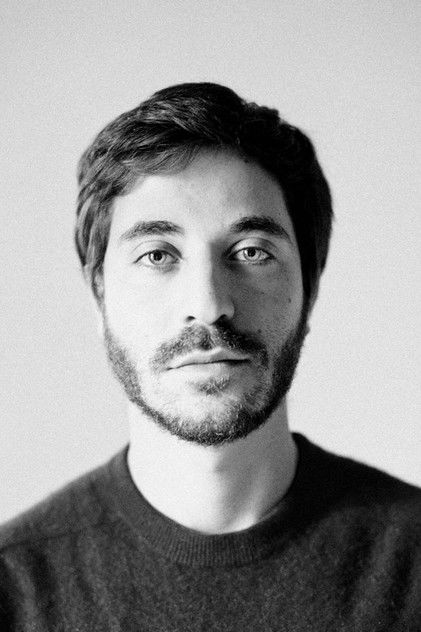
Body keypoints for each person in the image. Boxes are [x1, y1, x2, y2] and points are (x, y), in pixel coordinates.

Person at [0, 82, 420, 631]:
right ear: (99, 295)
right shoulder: (14, 593)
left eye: (252, 252)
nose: (208, 304)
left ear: (310, 289)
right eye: (157, 255)